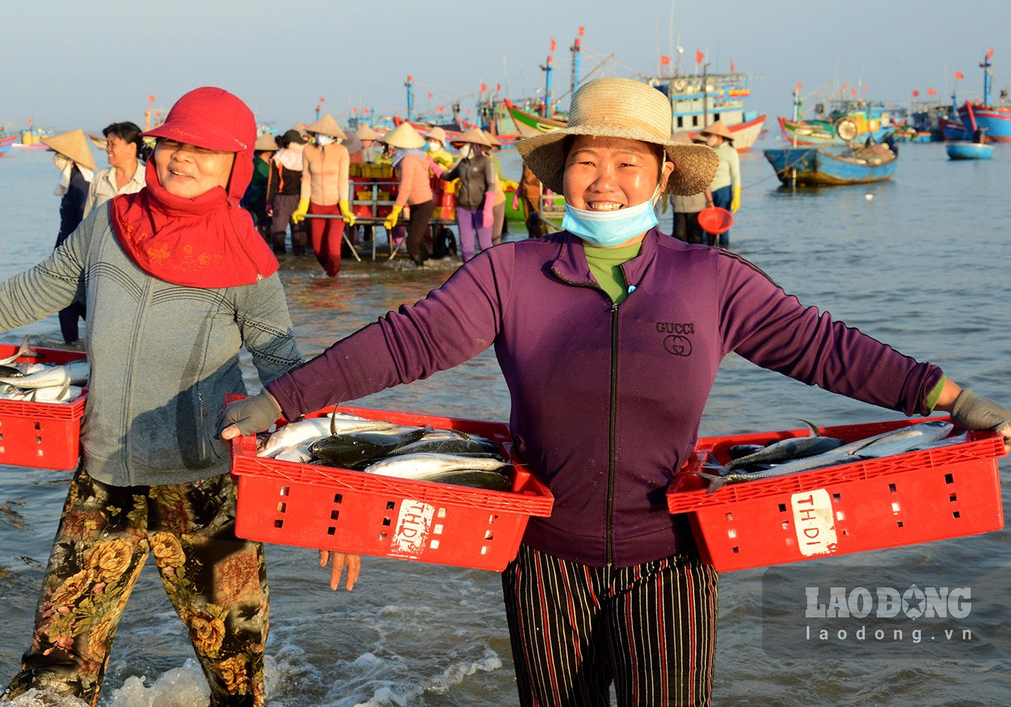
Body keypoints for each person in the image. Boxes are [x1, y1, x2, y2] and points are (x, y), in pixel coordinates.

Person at [218, 77, 1011, 705]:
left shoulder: (713, 280)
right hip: (544, 560)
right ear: (562, 172)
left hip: (670, 561)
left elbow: (825, 348)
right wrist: (282, 400)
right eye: (587, 162)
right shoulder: (510, 273)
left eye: (627, 161)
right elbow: (404, 342)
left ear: (664, 174)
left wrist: (948, 396)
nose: (604, 181)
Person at [0, 87, 302, 705]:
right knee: (55, 666)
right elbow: (31, 292)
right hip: (103, 482)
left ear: (235, 165)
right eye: (175, 142)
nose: (183, 158)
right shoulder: (109, 225)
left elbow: (287, 371)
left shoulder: (250, 261)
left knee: (235, 675)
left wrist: (320, 505)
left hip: (204, 489)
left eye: (205, 150)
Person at [41, 129, 97, 344]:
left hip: (74, 254)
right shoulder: (72, 179)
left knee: (68, 303)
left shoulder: (78, 182)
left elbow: (84, 220)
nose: (55, 159)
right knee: (74, 303)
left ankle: (72, 346)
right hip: (66, 250)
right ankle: (75, 344)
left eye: (58, 154)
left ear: (69, 159)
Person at [291, 114, 356, 277]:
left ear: (334, 136)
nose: (322, 137)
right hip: (315, 204)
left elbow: (343, 181)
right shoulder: (308, 150)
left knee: (333, 248)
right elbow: (306, 180)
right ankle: (326, 283)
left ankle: (333, 284)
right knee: (318, 249)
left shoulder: (342, 151)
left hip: (336, 206)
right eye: (319, 133)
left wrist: (345, 208)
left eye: (326, 134)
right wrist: (302, 207)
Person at [438, 127, 498, 262]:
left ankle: (492, 271)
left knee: (485, 245)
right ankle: (469, 274)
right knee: (466, 247)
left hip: (481, 209)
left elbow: (491, 185)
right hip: (463, 208)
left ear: (473, 146)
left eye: (464, 146)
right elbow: (448, 177)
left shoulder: (486, 162)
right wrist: (432, 165)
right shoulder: (462, 163)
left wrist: (488, 209)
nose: (461, 149)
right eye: (460, 147)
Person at [380, 122, 435, 266]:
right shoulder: (414, 157)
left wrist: (396, 209)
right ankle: (426, 267)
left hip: (422, 204)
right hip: (418, 204)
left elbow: (405, 187)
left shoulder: (408, 160)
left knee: (412, 243)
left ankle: (419, 273)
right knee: (418, 241)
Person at [82, 121, 148, 218]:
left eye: (112, 144)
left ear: (132, 148)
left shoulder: (148, 180)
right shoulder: (100, 178)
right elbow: (86, 220)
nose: (108, 149)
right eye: (107, 144)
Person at [267, 129, 309, 255]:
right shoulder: (277, 159)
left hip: (300, 199)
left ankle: (300, 265)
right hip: (281, 200)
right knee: (278, 234)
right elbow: (272, 183)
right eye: (297, 143)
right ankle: (281, 263)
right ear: (290, 144)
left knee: (300, 235)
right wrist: (268, 203)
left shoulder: (305, 158)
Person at [699, 120, 740, 249]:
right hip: (709, 192)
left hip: (724, 191)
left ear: (719, 137)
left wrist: (737, 195)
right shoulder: (709, 151)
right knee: (707, 225)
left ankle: (724, 250)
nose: (707, 138)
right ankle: (707, 251)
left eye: (710, 136)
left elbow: (736, 175)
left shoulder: (730, 152)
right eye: (707, 136)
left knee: (723, 225)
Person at [668, 133, 711, 245]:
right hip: (678, 206)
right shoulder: (670, 162)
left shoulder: (697, 162)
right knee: (679, 238)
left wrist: (710, 202)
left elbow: (705, 184)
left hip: (696, 206)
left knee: (695, 240)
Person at [243, 132, 279, 232]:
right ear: (269, 152)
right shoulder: (264, 167)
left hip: (249, 200)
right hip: (260, 200)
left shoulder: (254, 163)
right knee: (265, 224)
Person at [484, 130, 509, 244]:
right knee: (489, 237)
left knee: (494, 237)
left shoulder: (491, 160)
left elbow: (497, 178)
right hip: (486, 201)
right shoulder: (487, 159)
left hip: (496, 199)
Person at [514, 161, 551, 239]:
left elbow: (547, 178)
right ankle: (531, 238)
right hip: (525, 194)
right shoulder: (525, 163)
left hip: (537, 195)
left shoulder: (541, 162)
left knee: (540, 221)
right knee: (528, 219)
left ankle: (543, 239)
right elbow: (522, 179)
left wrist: (548, 195)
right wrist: (516, 196)